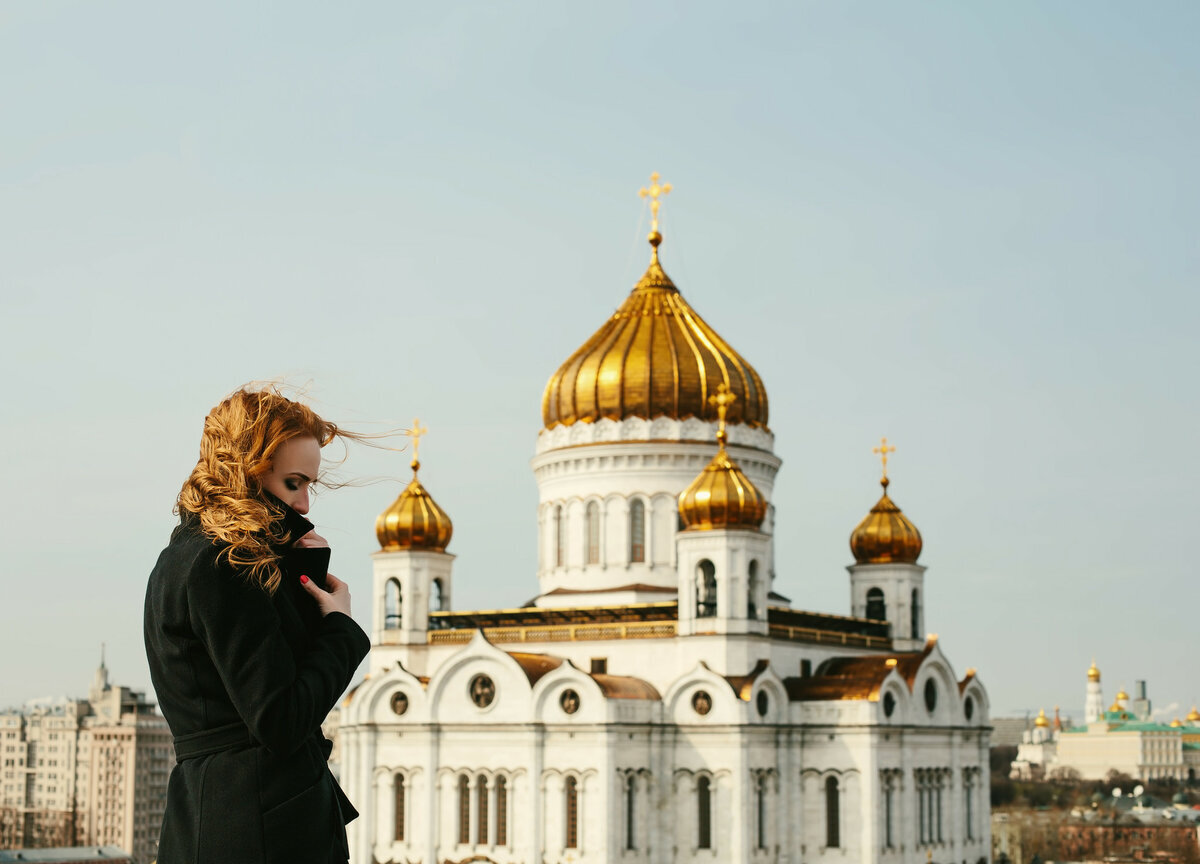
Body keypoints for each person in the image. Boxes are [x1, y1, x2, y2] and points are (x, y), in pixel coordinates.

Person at [144, 386, 371, 864]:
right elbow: (281, 719)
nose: (306, 504)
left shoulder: (185, 557)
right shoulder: (222, 564)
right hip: (259, 826)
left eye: (311, 485)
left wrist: (295, 574)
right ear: (247, 473)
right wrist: (341, 630)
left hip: (225, 813)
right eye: (294, 483)